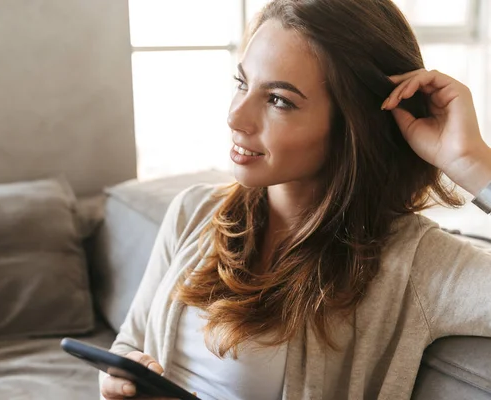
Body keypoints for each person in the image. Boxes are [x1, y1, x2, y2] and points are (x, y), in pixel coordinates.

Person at [100, 0, 491, 399]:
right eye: (242, 84)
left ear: (353, 125)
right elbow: (131, 344)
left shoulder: (414, 263)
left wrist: (472, 162)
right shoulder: (193, 212)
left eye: (278, 100)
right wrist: (118, 380)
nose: (236, 117)